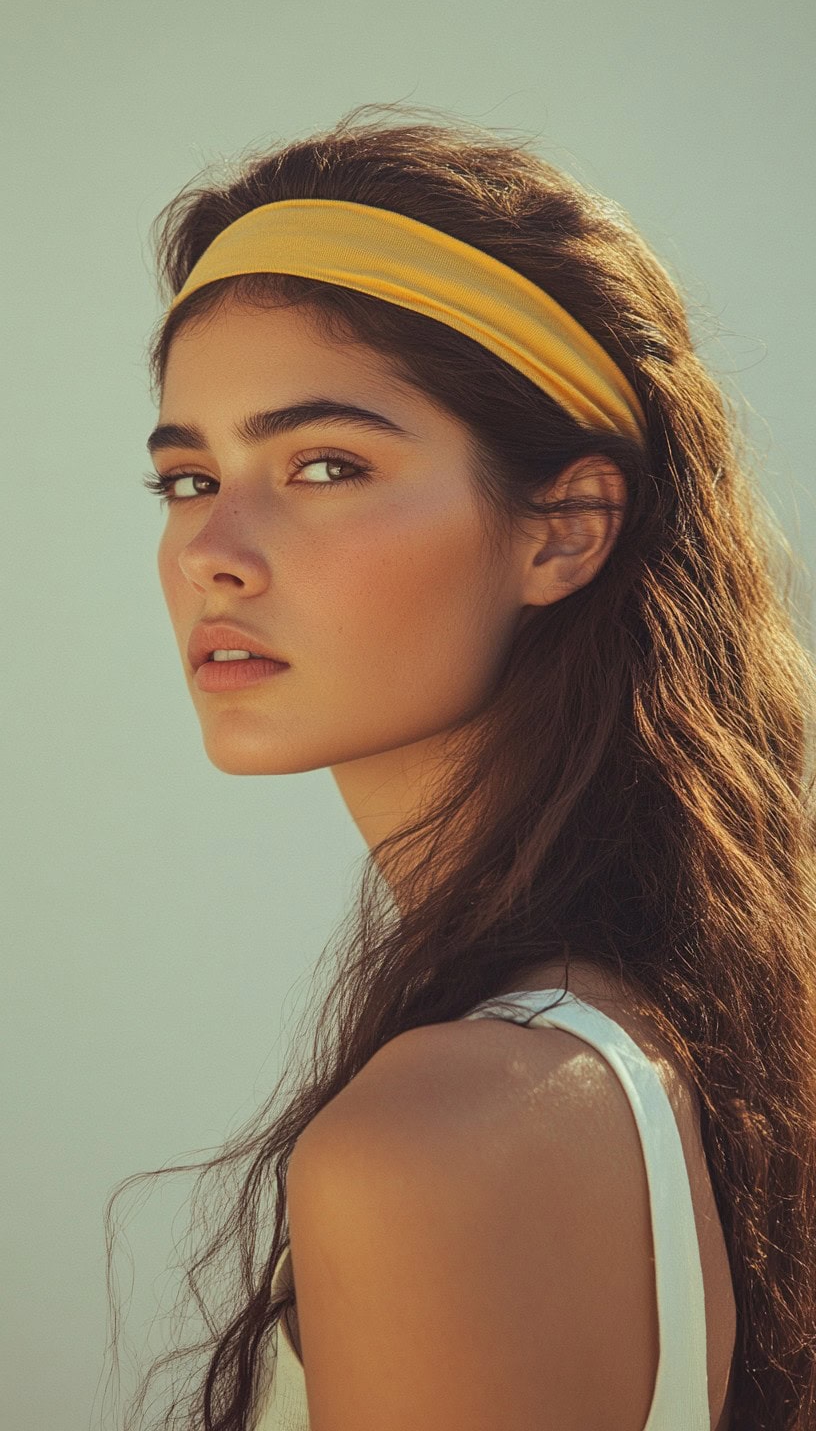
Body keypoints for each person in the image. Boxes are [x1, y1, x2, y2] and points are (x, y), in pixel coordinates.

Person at [115, 103, 816, 1431]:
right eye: (186, 478)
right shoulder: (663, 1038)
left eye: (324, 465)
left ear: (562, 532)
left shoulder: (442, 1138)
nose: (215, 548)